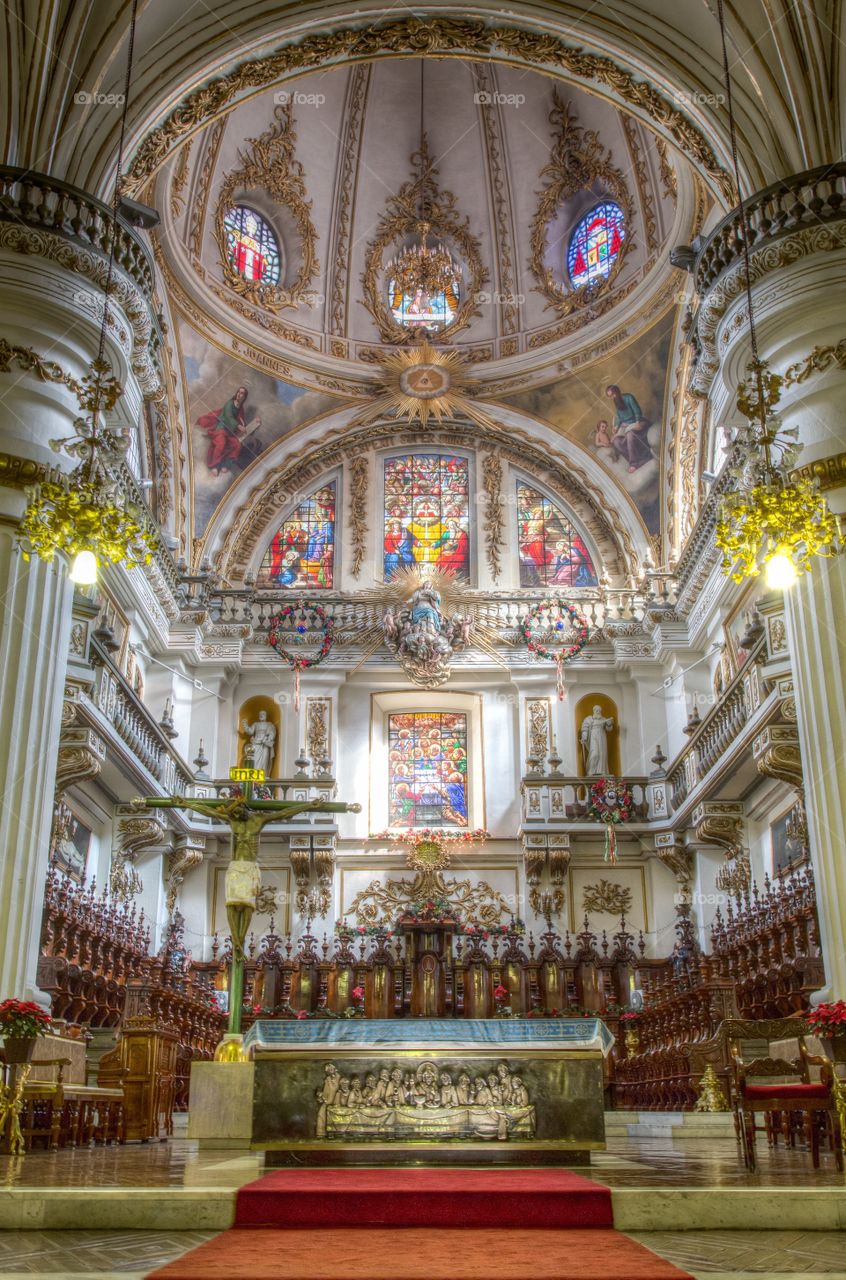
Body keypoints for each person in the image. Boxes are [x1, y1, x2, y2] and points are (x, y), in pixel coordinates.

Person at [196, 386, 261, 476]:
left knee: (237, 445)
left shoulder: (240, 409)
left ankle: (225, 465)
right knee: (221, 444)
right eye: (238, 392)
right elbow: (228, 416)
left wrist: (254, 424)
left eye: (242, 393)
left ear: (244, 397)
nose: (239, 394)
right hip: (221, 428)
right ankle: (215, 467)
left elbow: (242, 423)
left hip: (230, 432)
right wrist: (238, 426)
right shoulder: (230, 404)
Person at [605, 384, 653, 472]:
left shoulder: (628, 397)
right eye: (610, 396)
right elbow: (619, 417)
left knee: (630, 435)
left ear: (617, 392)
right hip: (626, 426)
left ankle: (634, 463)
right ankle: (639, 460)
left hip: (638, 423)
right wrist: (616, 426)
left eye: (613, 395)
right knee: (616, 441)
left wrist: (637, 421)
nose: (612, 398)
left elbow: (637, 410)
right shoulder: (616, 401)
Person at [580, 705, 615, 776]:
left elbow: (609, 729)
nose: (598, 712)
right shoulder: (589, 719)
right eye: (597, 710)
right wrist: (584, 734)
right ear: (594, 711)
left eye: (599, 710)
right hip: (593, 736)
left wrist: (609, 724)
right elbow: (585, 727)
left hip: (602, 736)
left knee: (602, 753)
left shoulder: (603, 719)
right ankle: (591, 771)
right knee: (595, 753)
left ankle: (602, 771)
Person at [241, 710, 276, 776]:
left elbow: (272, 733)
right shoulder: (256, 724)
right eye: (260, 714)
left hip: (265, 744)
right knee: (254, 758)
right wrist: (245, 725)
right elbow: (250, 731)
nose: (261, 715)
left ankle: (263, 775)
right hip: (256, 743)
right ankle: (254, 775)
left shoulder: (269, 724)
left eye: (263, 714)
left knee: (264, 761)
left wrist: (268, 738)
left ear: (266, 716)